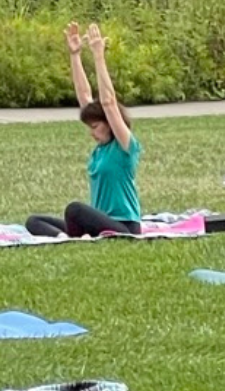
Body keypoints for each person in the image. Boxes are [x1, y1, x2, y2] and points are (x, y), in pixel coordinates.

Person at [27, 22, 142, 237]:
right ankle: (65, 238)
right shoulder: (100, 150)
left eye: (96, 126)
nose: (92, 133)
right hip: (98, 224)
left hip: (124, 227)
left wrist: (98, 55)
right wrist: (75, 55)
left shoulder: (125, 147)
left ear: (109, 123)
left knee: (75, 209)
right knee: (34, 221)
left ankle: (74, 239)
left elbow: (108, 102)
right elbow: (84, 96)